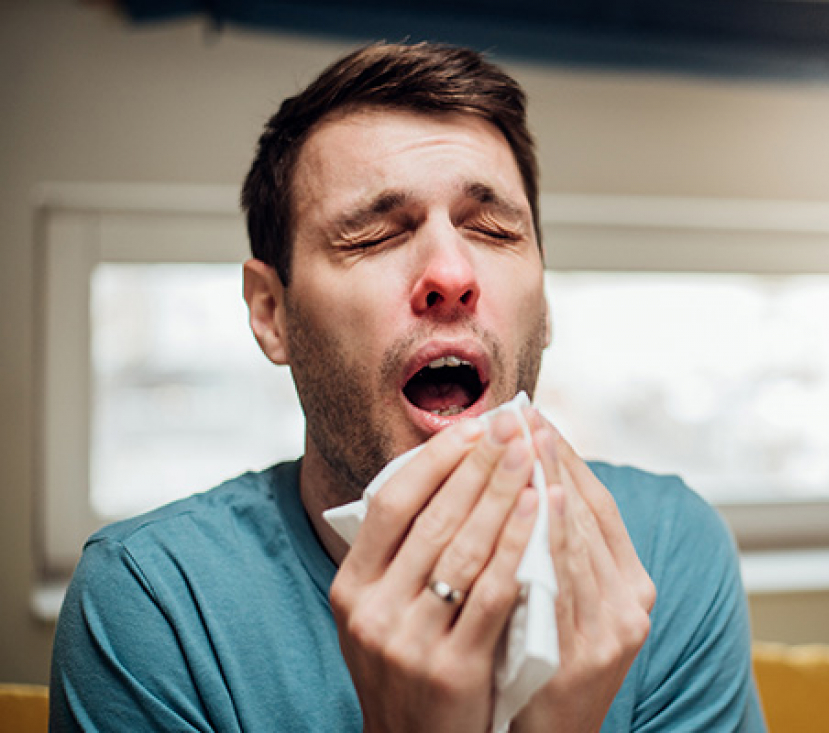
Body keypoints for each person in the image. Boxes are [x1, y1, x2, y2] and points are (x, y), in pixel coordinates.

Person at [50, 42, 766, 732]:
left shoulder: (666, 554)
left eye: (492, 228)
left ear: (544, 307)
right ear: (272, 313)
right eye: (371, 236)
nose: (451, 274)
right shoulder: (153, 603)